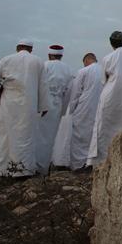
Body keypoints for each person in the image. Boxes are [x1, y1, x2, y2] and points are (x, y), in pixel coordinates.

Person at [0, 39, 49, 177]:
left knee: (3, 135)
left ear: (18, 47)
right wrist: (43, 106)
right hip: (28, 104)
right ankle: (22, 170)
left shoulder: (6, 59)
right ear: (31, 49)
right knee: (24, 136)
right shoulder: (38, 61)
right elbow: (43, 85)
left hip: (8, 102)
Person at [87, 31, 122, 167]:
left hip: (110, 96)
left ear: (111, 42)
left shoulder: (107, 58)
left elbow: (103, 80)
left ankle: (102, 160)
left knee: (104, 125)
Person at [35, 44, 74, 172]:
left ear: (49, 55)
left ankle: (35, 165)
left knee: (39, 134)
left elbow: (39, 86)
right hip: (58, 103)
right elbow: (68, 92)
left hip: (44, 103)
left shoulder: (45, 65)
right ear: (61, 55)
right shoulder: (67, 69)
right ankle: (44, 167)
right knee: (52, 136)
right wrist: (63, 110)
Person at [66, 53, 103, 170]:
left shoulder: (83, 71)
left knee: (80, 136)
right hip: (100, 106)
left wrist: (72, 109)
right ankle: (93, 162)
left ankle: (79, 164)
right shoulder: (103, 70)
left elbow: (76, 93)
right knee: (97, 135)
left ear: (86, 61)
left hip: (84, 107)